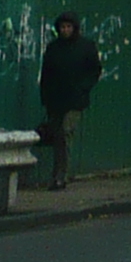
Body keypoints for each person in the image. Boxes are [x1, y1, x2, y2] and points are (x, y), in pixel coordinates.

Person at [37, 13, 102, 190]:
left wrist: (83, 88)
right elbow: (46, 74)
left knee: (66, 133)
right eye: (62, 27)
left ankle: (61, 176)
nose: (65, 30)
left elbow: (95, 71)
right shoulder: (53, 48)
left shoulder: (86, 47)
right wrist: (45, 96)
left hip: (75, 100)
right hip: (55, 100)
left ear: (74, 28)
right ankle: (56, 174)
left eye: (68, 27)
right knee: (57, 137)